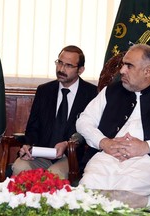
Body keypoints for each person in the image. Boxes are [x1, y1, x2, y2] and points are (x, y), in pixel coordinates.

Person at [76, 44, 150, 195]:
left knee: (125, 194)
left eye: (129, 66)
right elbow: (84, 121)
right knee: (86, 190)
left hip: (149, 159)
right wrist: (103, 142)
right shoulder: (111, 90)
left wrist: (147, 146)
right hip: (107, 156)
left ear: (147, 71)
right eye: (123, 64)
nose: (121, 71)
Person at [12, 45, 98, 179]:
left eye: (68, 65)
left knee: (54, 175)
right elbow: (33, 127)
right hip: (40, 154)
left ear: (80, 70)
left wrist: (68, 144)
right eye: (60, 63)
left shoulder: (92, 93)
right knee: (19, 167)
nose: (61, 69)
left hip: (70, 156)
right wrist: (28, 146)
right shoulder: (44, 90)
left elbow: (92, 131)